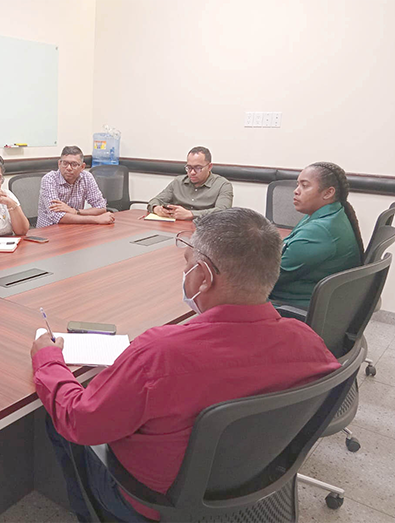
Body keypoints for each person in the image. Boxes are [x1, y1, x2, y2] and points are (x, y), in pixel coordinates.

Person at [30, 208, 340, 523]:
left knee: (57, 420)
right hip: (255, 484)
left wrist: (47, 358)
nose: (186, 271)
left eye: (188, 264)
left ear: (203, 277)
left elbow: (79, 421)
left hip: (154, 503)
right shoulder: (309, 342)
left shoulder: (160, 353)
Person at [270, 162, 365, 309]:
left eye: (305, 185)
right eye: (297, 185)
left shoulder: (319, 232)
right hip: (311, 296)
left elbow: (269, 277)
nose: (296, 191)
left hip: (293, 304)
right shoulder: (329, 214)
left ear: (328, 193)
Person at [36, 146, 115, 227]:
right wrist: (96, 219)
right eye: (65, 163)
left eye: (74, 164)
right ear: (59, 164)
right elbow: (58, 217)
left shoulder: (86, 177)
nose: (69, 168)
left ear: (82, 167)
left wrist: (76, 211)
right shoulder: (49, 179)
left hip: (75, 228)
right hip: (49, 231)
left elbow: (101, 207)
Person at [147, 146, 233, 221]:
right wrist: (157, 209)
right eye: (189, 167)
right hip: (176, 228)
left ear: (209, 167)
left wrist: (191, 214)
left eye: (198, 168)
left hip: (205, 231)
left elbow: (223, 212)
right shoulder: (178, 182)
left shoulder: (223, 185)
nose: (192, 172)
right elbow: (155, 200)